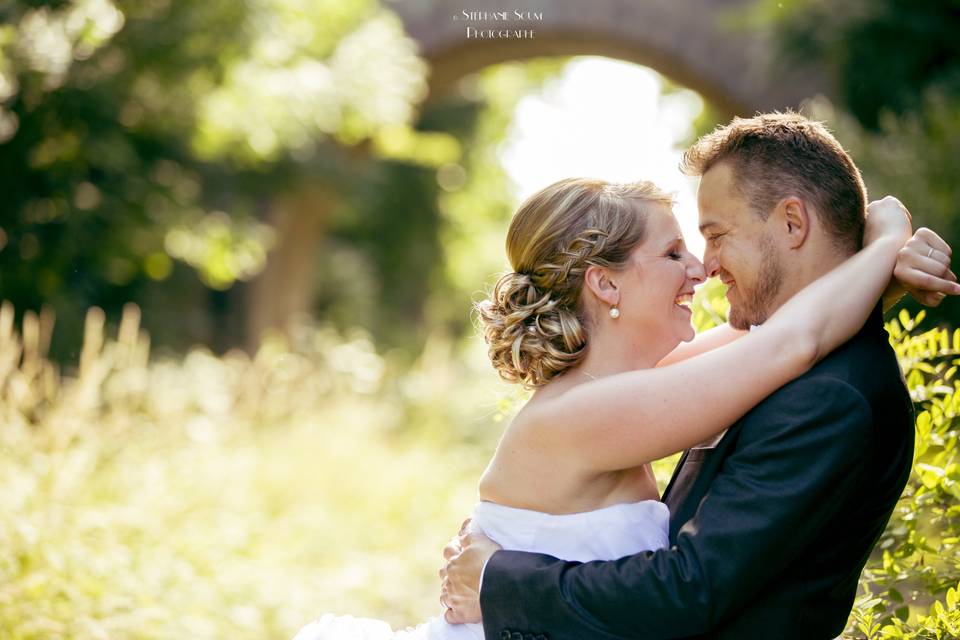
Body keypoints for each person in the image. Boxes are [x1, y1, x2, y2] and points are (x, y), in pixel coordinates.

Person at [293, 116, 957, 640]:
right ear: (604, 282)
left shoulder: (645, 384)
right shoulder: (584, 414)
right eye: (675, 252)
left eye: (707, 240)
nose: (700, 269)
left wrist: (883, 253)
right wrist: (886, 235)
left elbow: (783, 334)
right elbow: (792, 338)